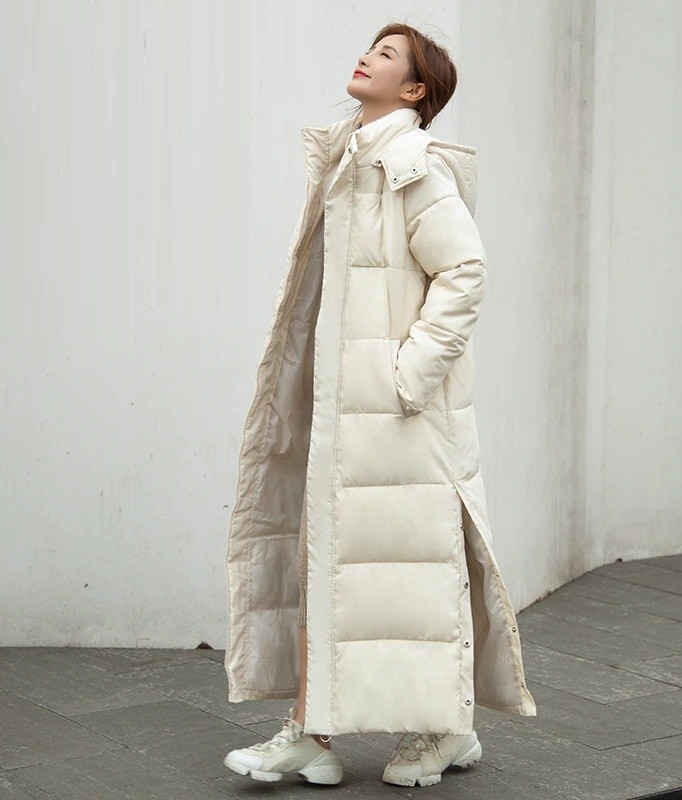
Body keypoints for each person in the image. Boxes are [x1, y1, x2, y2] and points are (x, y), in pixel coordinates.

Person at [222, 21, 536, 790]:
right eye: (371, 46)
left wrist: (408, 377)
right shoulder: (348, 161)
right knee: (326, 566)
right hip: (344, 412)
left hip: (401, 417)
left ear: (416, 90)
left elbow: (465, 272)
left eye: (387, 55)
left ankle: (445, 729)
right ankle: (312, 732)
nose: (367, 56)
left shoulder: (411, 166)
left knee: (415, 576)